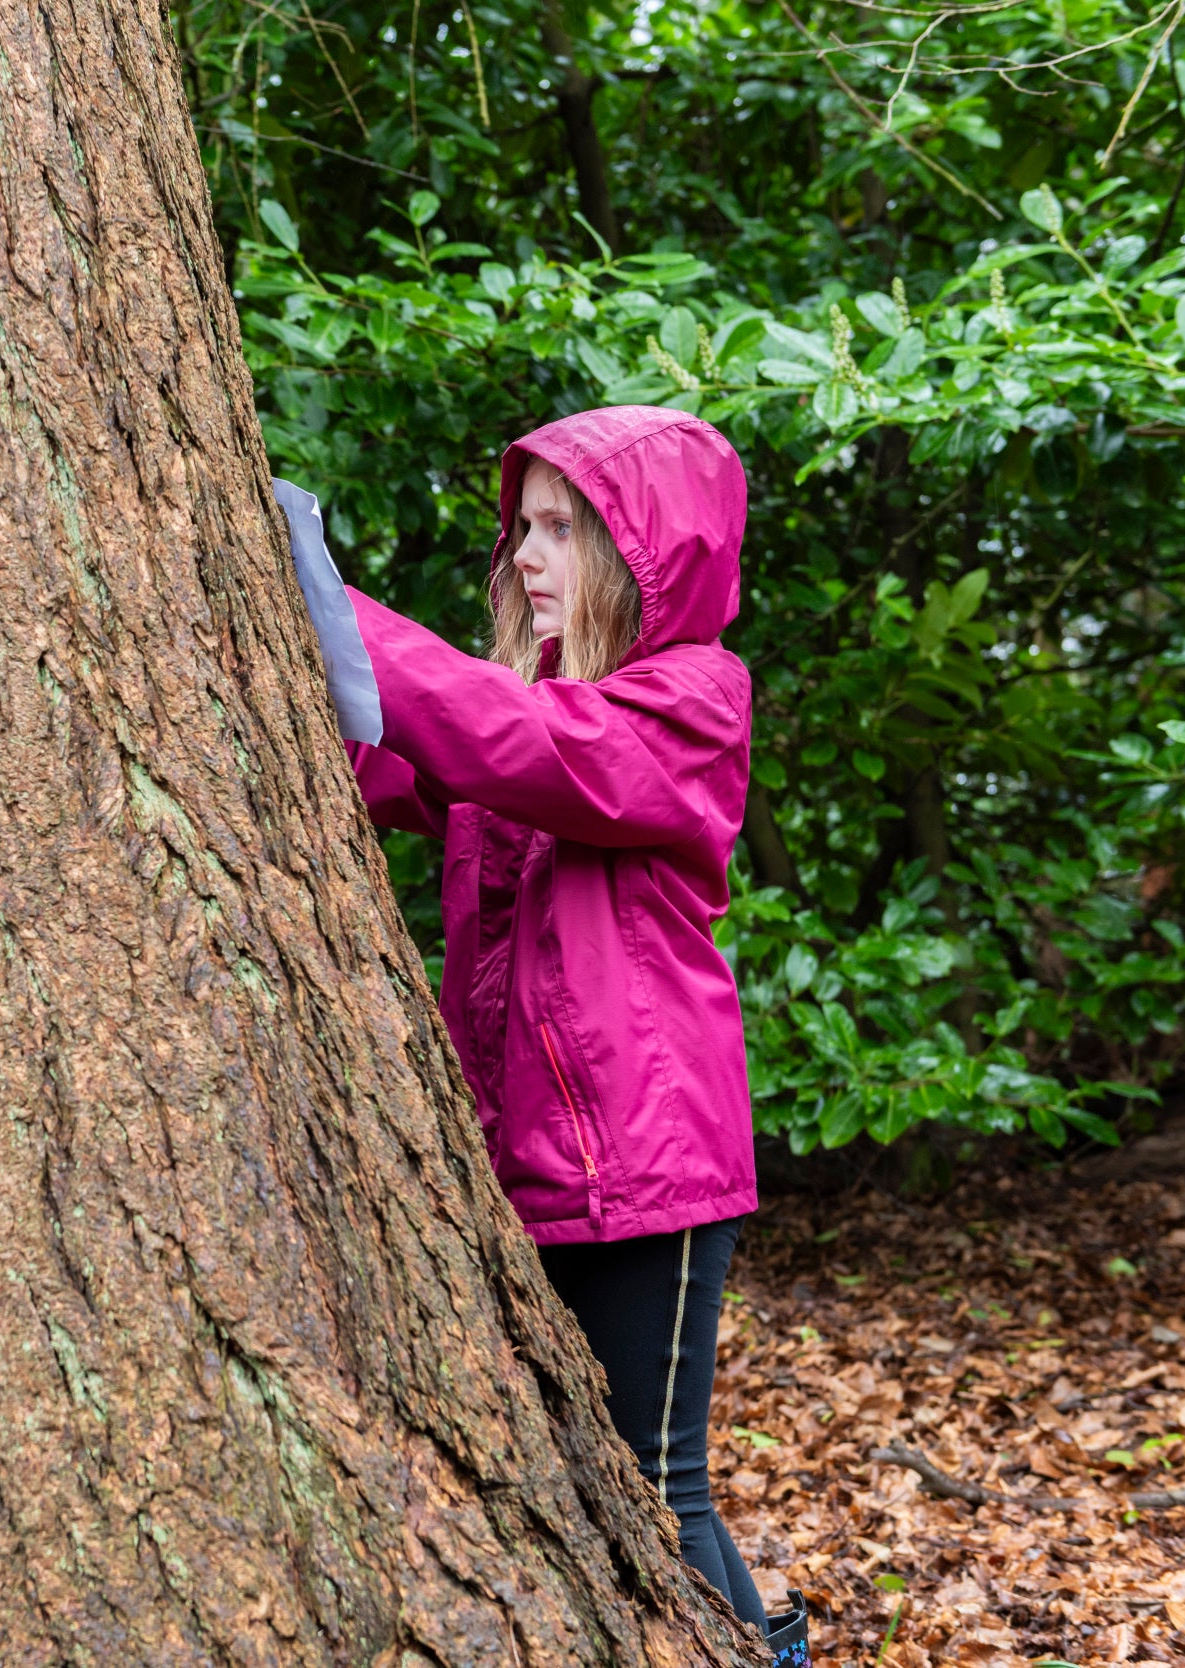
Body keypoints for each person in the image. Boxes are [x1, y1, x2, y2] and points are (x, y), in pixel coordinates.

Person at [283, 406, 806, 1665]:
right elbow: (394, 760)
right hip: (534, 1164)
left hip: (652, 1170)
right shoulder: (530, 706)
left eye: (560, 530)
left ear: (644, 557)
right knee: (575, 1474)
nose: (523, 554)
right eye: (521, 526)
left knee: (653, 1487)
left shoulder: (689, 705)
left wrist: (333, 610)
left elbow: (512, 743)